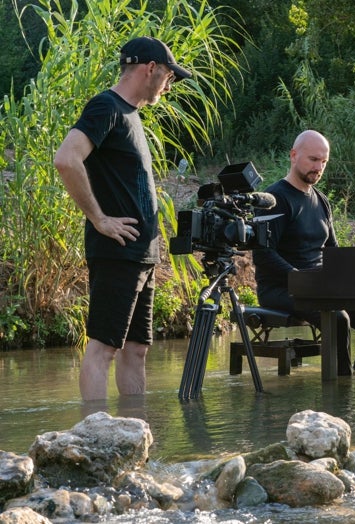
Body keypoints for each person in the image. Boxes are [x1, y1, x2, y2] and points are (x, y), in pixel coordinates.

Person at [53, 36, 191, 401]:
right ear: (150, 69)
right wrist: (100, 219)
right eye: (169, 77)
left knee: (137, 350)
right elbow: (66, 159)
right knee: (103, 348)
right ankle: (97, 440)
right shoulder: (106, 107)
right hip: (116, 250)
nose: (168, 84)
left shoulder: (131, 115)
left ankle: (134, 439)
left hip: (141, 255)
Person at [252, 130, 355, 375]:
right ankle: (341, 390)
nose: (318, 167)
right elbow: (262, 254)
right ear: (293, 155)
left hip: (320, 288)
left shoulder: (322, 201)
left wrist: (353, 281)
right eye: (313, 159)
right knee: (338, 319)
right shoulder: (275, 198)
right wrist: (302, 278)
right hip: (280, 288)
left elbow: (332, 251)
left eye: (324, 161)